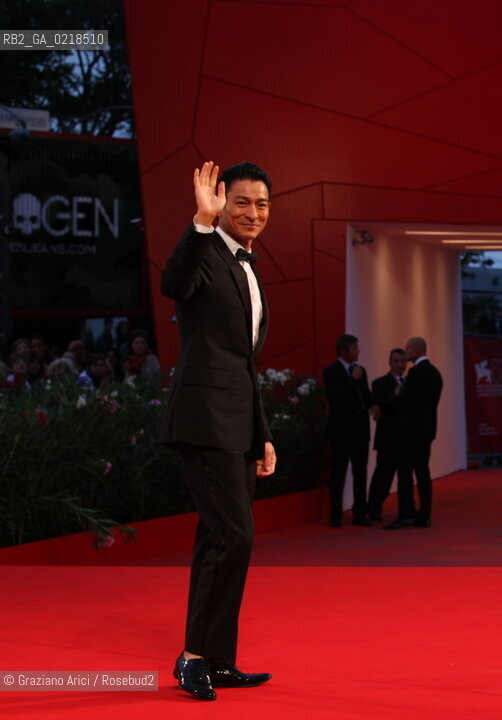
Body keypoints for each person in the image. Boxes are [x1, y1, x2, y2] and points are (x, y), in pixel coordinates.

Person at [160, 161, 275, 701]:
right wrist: (201, 223)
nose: (253, 212)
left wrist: (263, 433)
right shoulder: (205, 251)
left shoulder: (248, 267)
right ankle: (192, 658)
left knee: (219, 537)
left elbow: (244, 364)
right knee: (234, 535)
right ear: (222, 203)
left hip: (238, 424)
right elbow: (173, 282)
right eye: (242, 202)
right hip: (205, 420)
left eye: (262, 204)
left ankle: (214, 658)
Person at [384, 337, 443, 530]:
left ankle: (406, 515)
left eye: (408, 349)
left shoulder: (416, 373)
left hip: (410, 432)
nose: (405, 352)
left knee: (405, 473)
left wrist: (389, 399)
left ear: (416, 351)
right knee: (423, 472)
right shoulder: (435, 373)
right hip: (427, 430)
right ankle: (424, 516)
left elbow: (407, 401)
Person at [323, 334, 374, 527]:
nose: (358, 351)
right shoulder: (331, 371)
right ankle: (335, 515)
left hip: (360, 431)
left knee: (360, 473)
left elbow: (366, 395)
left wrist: (375, 405)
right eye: (354, 348)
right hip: (341, 432)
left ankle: (360, 513)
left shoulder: (360, 370)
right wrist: (352, 380)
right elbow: (335, 396)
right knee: (338, 474)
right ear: (343, 351)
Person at [368, 348, 411, 522]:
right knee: (383, 477)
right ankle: (373, 508)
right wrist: (397, 395)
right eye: (396, 361)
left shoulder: (411, 383)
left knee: (406, 477)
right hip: (387, 438)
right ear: (390, 362)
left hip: (406, 438)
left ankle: (408, 509)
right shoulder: (379, 383)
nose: (400, 364)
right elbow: (379, 405)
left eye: (403, 361)